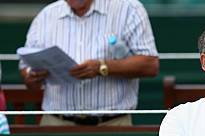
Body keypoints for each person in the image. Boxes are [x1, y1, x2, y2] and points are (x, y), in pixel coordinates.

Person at [19, 0, 158, 126]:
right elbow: (26, 69)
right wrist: (33, 76)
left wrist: (103, 67)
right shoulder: (46, 15)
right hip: (56, 124)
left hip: (113, 125)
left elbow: (150, 65)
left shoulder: (128, 9)